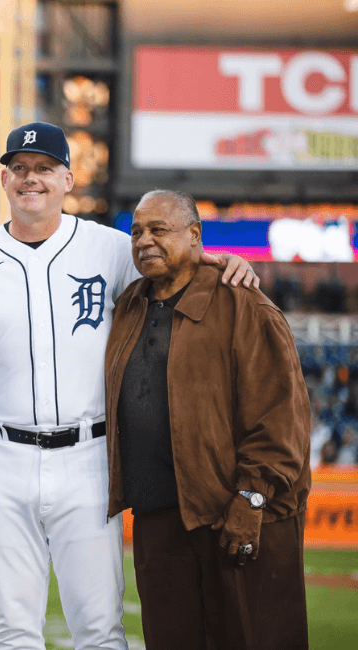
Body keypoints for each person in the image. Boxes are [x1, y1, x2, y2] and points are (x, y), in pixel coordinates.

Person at [0, 124, 258, 650]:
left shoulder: (111, 248)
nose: (33, 179)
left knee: (100, 629)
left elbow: (175, 267)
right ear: (5, 179)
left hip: (89, 455)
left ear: (68, 178)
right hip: (1, 454)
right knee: (11, 631)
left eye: (45, 168)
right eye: (22, 169)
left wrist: (224, 260)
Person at [105, 189, 311, 650]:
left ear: (195, 235)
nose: (144, 241)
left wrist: (251, 500)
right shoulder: (130, 305)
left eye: (159, 230)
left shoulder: (244, 304)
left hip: (234, 515)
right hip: (159, 519)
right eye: (137, 231)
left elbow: (282, 417)